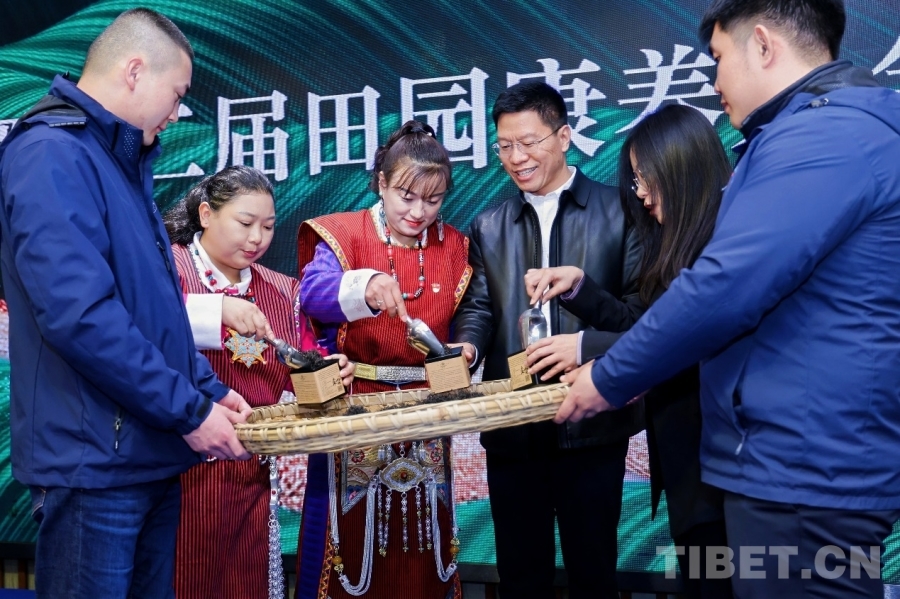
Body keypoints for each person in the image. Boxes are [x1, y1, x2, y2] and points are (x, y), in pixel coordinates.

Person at [557, 1, 900, 597]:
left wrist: (608, 378)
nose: (714, 82)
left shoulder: (822, 137)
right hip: (809, 461)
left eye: (717, 58)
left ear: (762, 45)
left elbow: (724, 287)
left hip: (802, 470)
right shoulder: (835, 129)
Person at [0, 9, 251, 599]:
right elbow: (82, 317)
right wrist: (188, 412)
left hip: (143, 451)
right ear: (135, 71)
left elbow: (153, 311)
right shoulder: (51, 153)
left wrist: (206, 389)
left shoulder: (118, 159)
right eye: (178, 94)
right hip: (94, 463)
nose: (178, 112)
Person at [525, 104, 733, 598]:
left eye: (646, 178)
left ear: (680, 168)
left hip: (721, 470)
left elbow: (679, 339)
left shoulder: (725, 242)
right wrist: (582, 289)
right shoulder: (675, 241)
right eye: (635, 179)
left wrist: (584, 348)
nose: (639, 192)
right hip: (691, 469)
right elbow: (648, 326)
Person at [450, 80, 643, 599]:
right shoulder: (489, 224)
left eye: (529, 142)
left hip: (592, 424)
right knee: (521, 576)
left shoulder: (620, 210)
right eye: (504, 146)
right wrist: (468, 346)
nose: (516, 158)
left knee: (593, 573)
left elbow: (638, 314)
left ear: (563, 136)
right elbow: (480, 306)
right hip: (513, 430)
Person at [294, 120, 472, 599]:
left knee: (427, 538)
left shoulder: (455, 247)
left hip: (426, 412)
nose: (418, 212)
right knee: (348, 540)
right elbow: (311, 293)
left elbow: (473, 316)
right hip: (356, 405)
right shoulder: (344, 233)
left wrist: (466, 348)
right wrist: (366, 285)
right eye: (406, 196)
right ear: (381, 183)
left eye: (433, 200)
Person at [163, 165, 354, 599]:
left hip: (249, 474)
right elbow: (143, 324)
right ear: (206, 214)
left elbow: (305, 366)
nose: (257, 239)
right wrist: (219, 310)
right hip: (175, 467)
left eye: (267, 227)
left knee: (243, 582)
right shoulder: (167, 269)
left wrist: (330, 373)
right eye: (245, 223)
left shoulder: (283, 292)